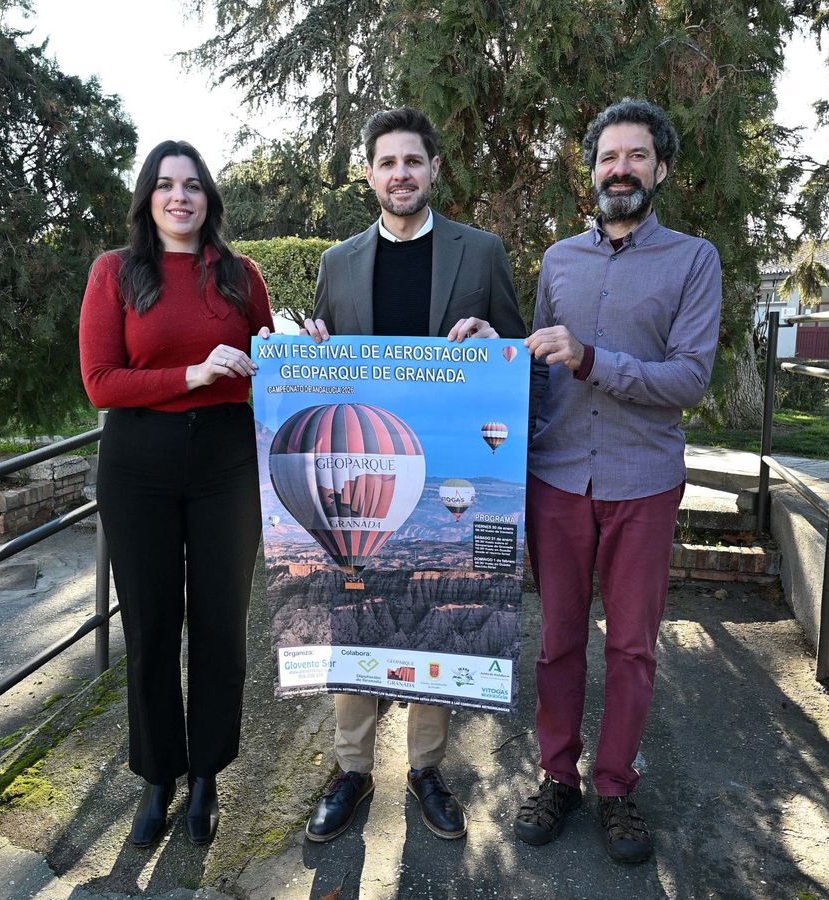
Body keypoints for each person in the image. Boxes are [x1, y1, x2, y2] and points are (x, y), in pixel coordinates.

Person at [296, 107, 526, 843]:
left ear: (433, 171)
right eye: (387, 163)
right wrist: (312, 355)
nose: (401, 174)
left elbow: (517, 355)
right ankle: (352, 769)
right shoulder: (336, 264)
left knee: (436, 614)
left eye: (413, 162)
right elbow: (325, 376)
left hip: (450, 472)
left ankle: (426, 769)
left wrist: (498, 341)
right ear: (368, 175)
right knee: (352, 608)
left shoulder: (481, 253)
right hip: (362, 474)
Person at [513, 98, 722, 865]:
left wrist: (592, 358)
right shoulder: (558, 261)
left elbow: (690, 378)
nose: (621, 169)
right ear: (592, 170)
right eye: (608, 156)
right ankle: (557, 777)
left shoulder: (694, 260)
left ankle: (615, 787)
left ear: (660, 169)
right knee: (558, 641)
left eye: (637, 156)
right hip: (558, 478)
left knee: (632, 646)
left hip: (642, 482)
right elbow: (537, 371)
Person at [79, 139, 274, 848]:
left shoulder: (239, 276)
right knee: (154, 627)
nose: (180, 197)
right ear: (148, 197)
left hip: (226, 464)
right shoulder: (116, 273)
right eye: (166, 185)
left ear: (208, 198)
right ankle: (159, 775)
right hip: (138, 466)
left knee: (221, 626)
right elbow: (100, 382)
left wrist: (299, 351)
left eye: (192, 185)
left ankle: (209, 773)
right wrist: (192, 374)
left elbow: (271, 374)